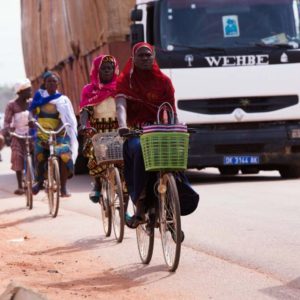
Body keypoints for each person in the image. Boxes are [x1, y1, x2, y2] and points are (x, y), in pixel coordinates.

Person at [116, 42, 176, 228]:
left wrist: (174, 127)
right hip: (136, 131)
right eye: (141, 55)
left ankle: (173, 204)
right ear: (133, 59)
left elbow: (171, 109)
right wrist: (123, 125)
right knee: (138, 149)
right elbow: (120, 105)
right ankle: (140, 204)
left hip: (159, 130)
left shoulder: (164, 81)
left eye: (148, 55)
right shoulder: (126, 81)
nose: (145, 58)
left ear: (154, 56)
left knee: (175, 157)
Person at [29, 72, 78, 197]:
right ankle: (39, 182)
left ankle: (64, 188)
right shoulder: (39, 98)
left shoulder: (63, 100)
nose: (51, 84)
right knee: (39, 154)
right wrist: (31, 120)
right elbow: (32, 111)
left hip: (59, 132)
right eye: (48, 82)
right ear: (44, 84)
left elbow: (66, 118)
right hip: (43, 133)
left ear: (58, 84)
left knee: (64, 154)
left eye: (53, 81)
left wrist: (56, 130)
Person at [79, 54, 119, 203]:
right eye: (104, 68)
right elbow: (85, 110)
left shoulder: (121, 87)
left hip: (118, 129)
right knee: (94, 155)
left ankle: (124, 207)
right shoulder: (89, 89)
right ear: (97, 70)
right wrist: (83, 125)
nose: (107, 71)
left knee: (127, 163)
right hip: (98, 131)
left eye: (110, 68)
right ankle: (97, 184)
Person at [2, 79, 32, 195]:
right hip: (17, 135)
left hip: (31, 135)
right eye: (28, 90)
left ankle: (40, 180)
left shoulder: (31, 103)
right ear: (21, 92)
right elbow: (7, 122)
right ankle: (20, 186)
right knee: (17, 157)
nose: (30, 92)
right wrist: (7, 131)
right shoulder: (12, 105)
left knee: (39, 154)